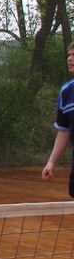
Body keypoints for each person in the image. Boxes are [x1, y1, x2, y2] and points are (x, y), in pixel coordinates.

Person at [41, 42, 74, 192]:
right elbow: (64, 130)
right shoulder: (66, 91)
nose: (69, 59)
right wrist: (51, 162)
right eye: (69, 55)